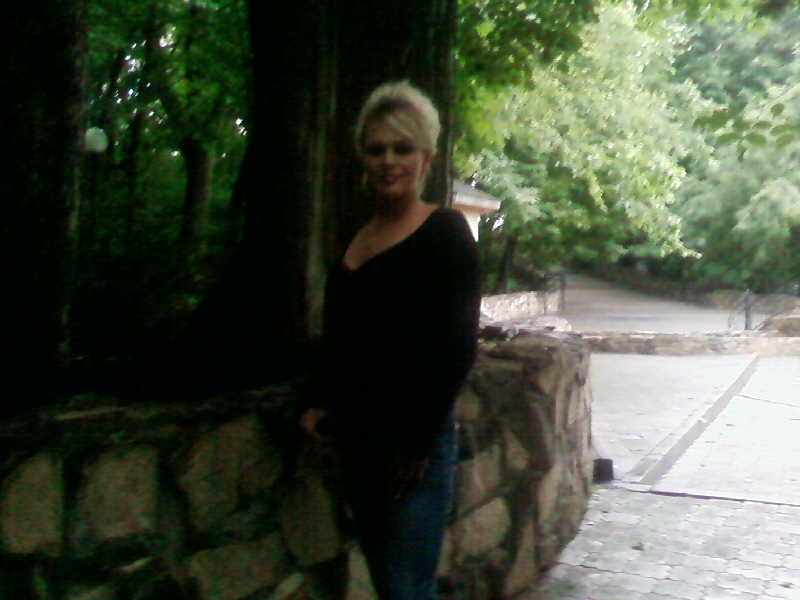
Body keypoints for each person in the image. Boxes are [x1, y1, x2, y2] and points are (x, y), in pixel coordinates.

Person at [299, 81, 481, 600]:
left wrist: (418, 444)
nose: (388, 161)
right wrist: (316, 399)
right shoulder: (356, 237)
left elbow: (457, 347)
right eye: (376, 150)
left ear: (426, 158)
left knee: (406, 588)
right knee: (387, 583)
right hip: (358, 439)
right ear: (362, 158)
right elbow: (342, 337)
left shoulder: (446, 232)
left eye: (402, 148)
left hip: (413, 448)